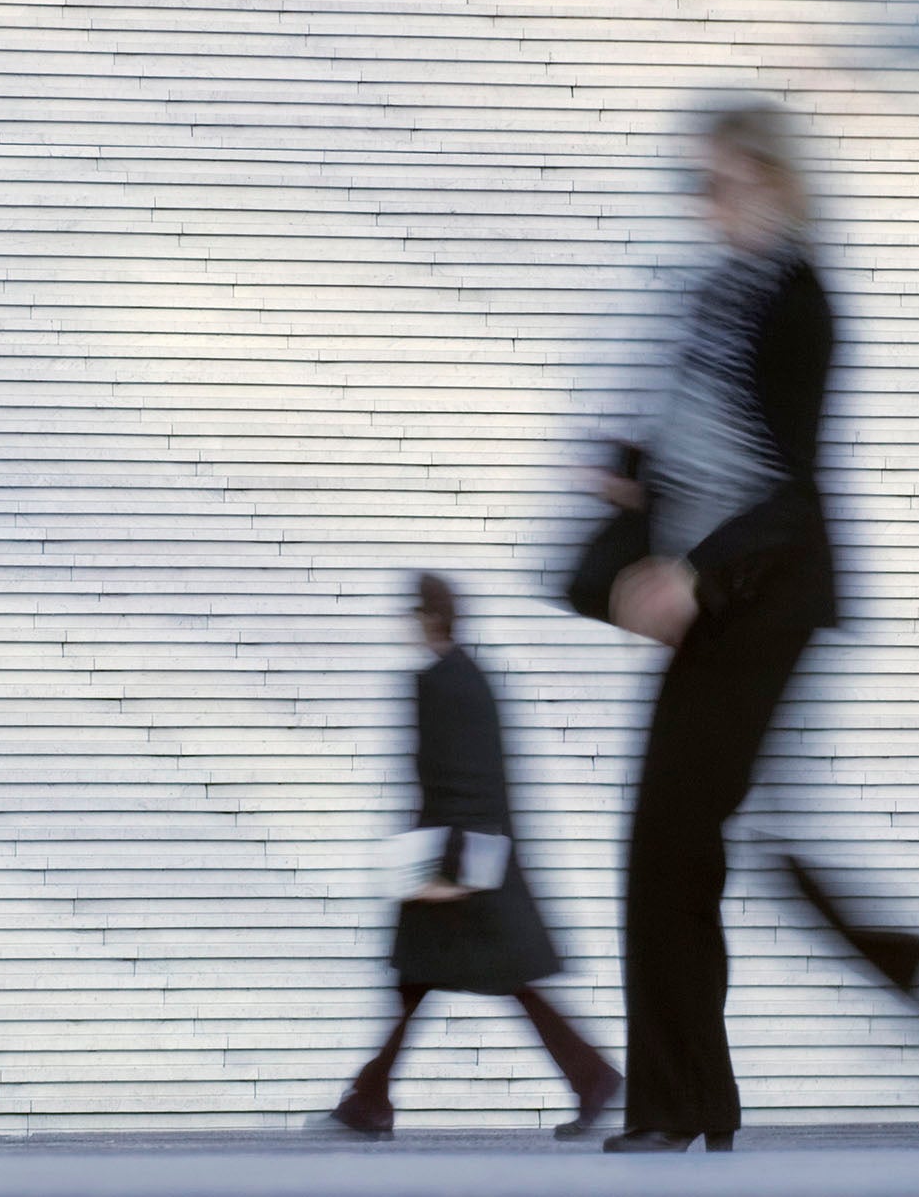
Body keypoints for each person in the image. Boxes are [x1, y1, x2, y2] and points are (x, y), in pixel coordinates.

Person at [589, 100, 838, 1154]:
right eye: (695, 183)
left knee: (681, 845)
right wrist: (623, 482)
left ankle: (683, 1108)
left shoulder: (797, 298)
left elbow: (791, 488)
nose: (703, 203)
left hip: (764, 603)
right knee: (666, 852)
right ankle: (684, 1107)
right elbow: (676, 438)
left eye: (721, 182)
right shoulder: (709, 297)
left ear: (777, 186)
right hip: (709, 605)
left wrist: (693, 575)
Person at [312, 573, 619, 1140]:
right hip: (468, 863)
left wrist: (449, 876)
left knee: (464, 982)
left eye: (410, 612)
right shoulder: (471, 677)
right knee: (425, 982)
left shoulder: (440, 683)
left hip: (457, 871)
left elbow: (465, 780)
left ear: (428, 616)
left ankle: (593, 1077)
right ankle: (371, 1097)